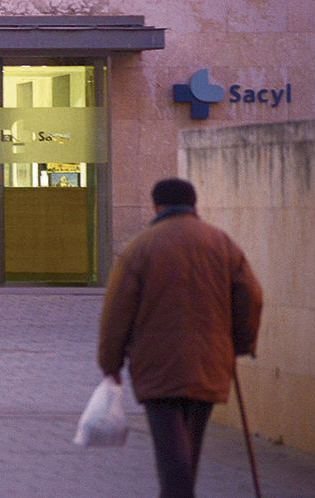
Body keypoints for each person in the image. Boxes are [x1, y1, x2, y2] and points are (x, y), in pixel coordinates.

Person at [97, 178, 263, 498]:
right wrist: (240, 343)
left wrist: (110, 362)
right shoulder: (221, 243)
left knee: (172, 453)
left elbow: (116, 310)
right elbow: (251, 296)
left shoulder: (140, 248)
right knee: (190, 446)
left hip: (158, 366)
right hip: (209, 362)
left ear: (156, 205)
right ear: (194, 205)